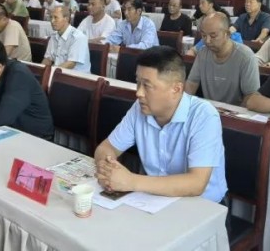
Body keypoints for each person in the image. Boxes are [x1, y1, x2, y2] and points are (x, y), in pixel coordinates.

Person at [93, 46, 227, 203]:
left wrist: (131, 181)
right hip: (155, 199)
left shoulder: (204, 115)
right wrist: (107, 171)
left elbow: (196, 183)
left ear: (176, 89)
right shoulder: (139, 108)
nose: (139, 93)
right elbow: (106, 148)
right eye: (138, 83)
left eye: (147, 86)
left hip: (202, 205)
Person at [186, 14, 259, 106]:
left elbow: (250, 96)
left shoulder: (245, 56)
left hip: (235, 111)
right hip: (209, 109)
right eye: (204, 35)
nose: (207, 41)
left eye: (213, 36)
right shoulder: (202, 53)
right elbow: (191, 84)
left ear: (227, 34)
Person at [43, 6, 90, 73]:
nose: (52, 21)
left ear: (66, 19)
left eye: (56, 17)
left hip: (77, 76)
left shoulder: (78, 37)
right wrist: (41, 71)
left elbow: (70, 64)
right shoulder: (53, 36)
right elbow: (48, 59)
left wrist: (50, 73)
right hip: (58, 73)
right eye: (51, 17)